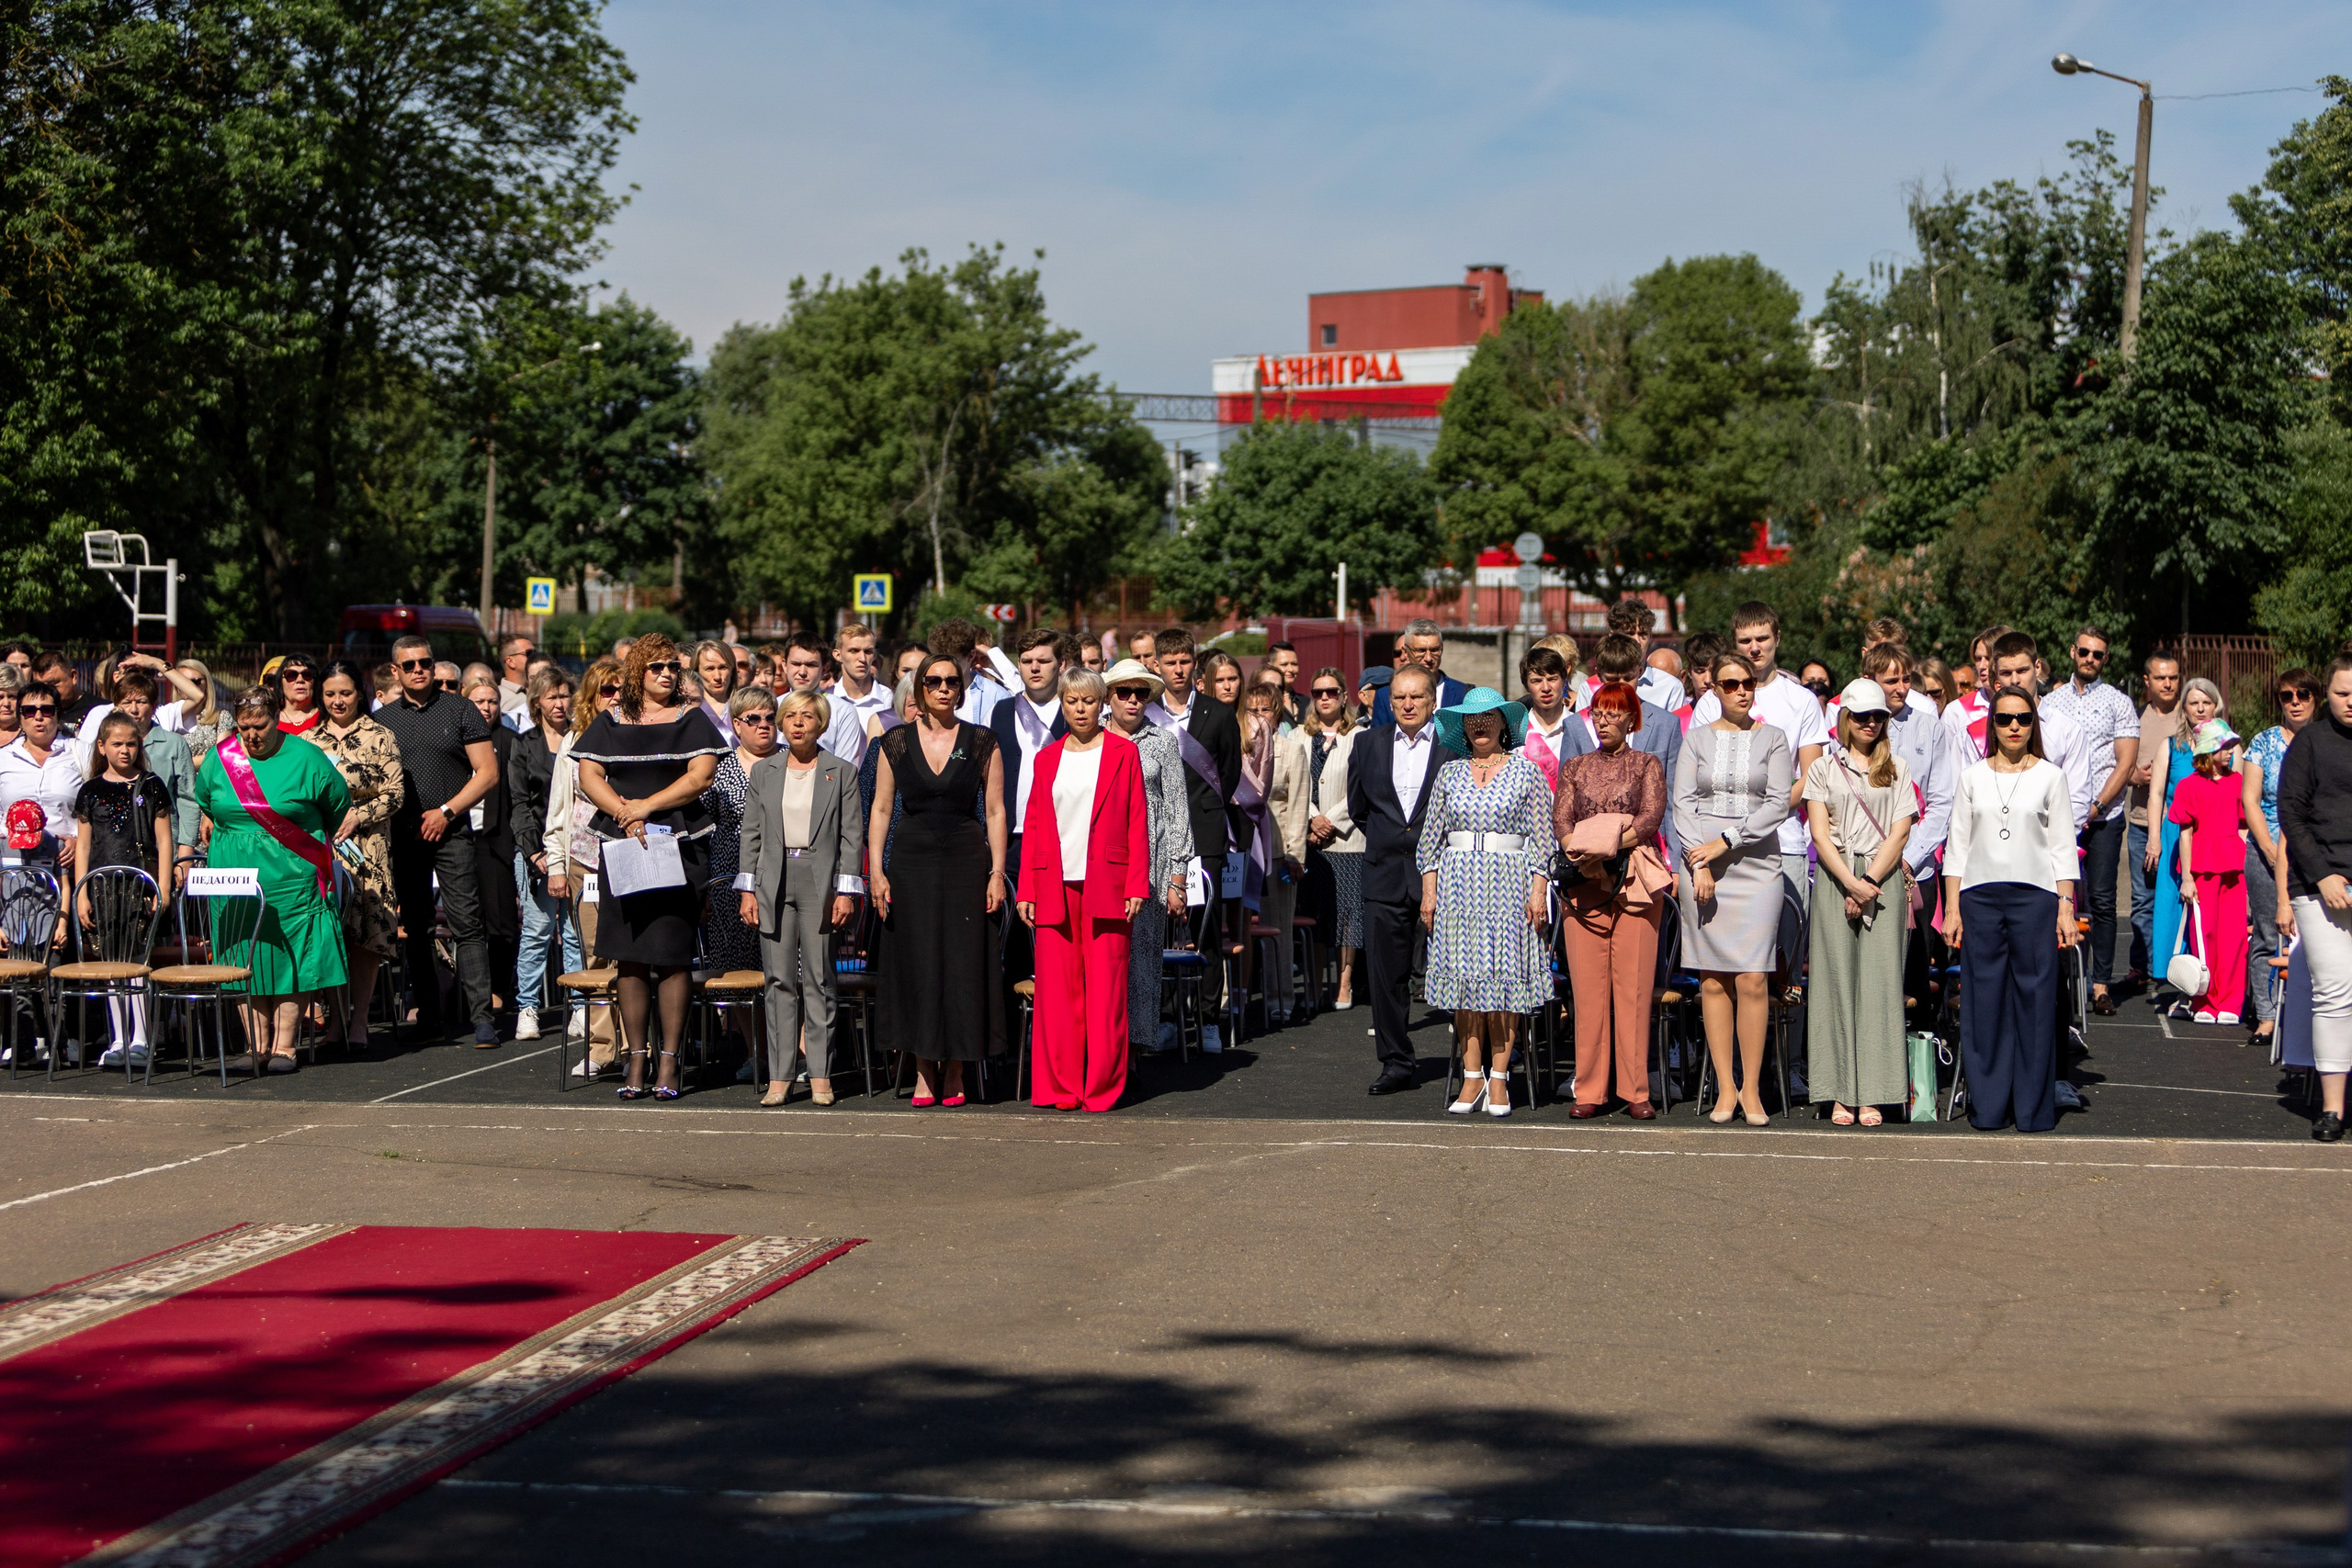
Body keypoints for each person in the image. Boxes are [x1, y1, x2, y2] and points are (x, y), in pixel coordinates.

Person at [574, 636, 728, 1100]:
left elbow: (699, 777)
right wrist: (625, 813)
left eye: (672, 667)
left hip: (679, 845)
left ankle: (671, 1063)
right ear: (637, 672)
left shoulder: (691, 719)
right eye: (656, 666)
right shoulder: (610, 720)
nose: (666, 673)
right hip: (624, 845)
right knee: (631, 958)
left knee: (672, 956)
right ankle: (635, 1061)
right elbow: (589, 775)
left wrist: (646, 807)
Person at [869, 652, 1009, 1104]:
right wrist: (876, 870)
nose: (944, 688)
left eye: (952, 681)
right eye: (934, 681)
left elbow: (994, 811)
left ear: (962, 689)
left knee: (964, 966)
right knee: (918, 965)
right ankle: (925, 1067)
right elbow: (882, 809)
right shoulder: (895, 742)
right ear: (919, 691)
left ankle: (957, 1069)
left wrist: (997, 873)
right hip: (911, 866)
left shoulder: (983, 740)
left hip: (967, 864)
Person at [194, 686, 353, 1074]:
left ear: (276, 717)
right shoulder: (220, 757)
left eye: (260, 726)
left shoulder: (306, 757)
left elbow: (337, 804)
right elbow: (205, 800)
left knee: (291, 954)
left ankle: (285, 1045)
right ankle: (256, 1044)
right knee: (241, 951)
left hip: (291, 873)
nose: (251, 735)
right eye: (244, 727)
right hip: (233, 873)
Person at [1013, 667, 1148, 1111]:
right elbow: (1033, 826)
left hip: (1107, 886)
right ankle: (1061, 1087)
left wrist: (1136, 885)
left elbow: (1136, 821)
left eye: (1088, 701)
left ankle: (1102, 1089)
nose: (1080, 709)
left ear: (1101, 703)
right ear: (1063, 704)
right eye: (1072, 701)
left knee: (1107, 993)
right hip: (1054, 885)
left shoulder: (1124, 753)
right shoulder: (1046, 758)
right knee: (1057, 995)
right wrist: (1027, 890)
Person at [1415, 689, 1555, 1118]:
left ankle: (1499, 1078)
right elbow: (1430, 838)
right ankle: (1471, 1076)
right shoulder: (1449, 773)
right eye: (1470, 719)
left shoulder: (1527, 772)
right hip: (1457, 886)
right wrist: (1429, 889)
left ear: (1502, 724)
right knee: (1465, 983)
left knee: (1504, 980)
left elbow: (1543, 838)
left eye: (1487, 717)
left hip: (1509, 886)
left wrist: (1537, 891)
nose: (1479, 725)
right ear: (1462, 727)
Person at [1945, 686, 2079, 1133]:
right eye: (2004, 719)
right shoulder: (1971, 777)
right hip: (1979, 899)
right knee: (1984, 1002)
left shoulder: (2051, 776)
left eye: (2022, 718)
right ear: (1993, 725)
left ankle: (2032, 1109)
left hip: (2037, 898)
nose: (2014, 726)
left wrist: (2065, 906)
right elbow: (1957, 848)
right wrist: (1952, 907)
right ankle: (1988, 1106)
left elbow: (2063, 847)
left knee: (2036, 1001)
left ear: (2033, 723)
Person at [1673, 651, 1794, 1125]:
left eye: (1747, 682)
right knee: (1712, 979)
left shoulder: (1774, 738)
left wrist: (1726, 841)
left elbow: (1778, 803)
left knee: (1753, 977)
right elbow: (1681, 804)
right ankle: (1724, 1087)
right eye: (1730, 684)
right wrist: (1698, 862)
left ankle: (1751, 1088)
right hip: (1700, 862)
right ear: (1714, 690)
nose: (1741, 690)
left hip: (1756, 863)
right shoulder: (1697, 739)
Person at [737, 685, 862, 1106]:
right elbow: (750, 834)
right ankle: (781, 1076)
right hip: (773, 877)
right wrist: (748, 890)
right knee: (778, 980)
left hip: (819, 880)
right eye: (789, 716)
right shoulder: (764, 772)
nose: (798, 723)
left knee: (821, 978)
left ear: (820, 722)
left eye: (807, 716)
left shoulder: (841, 771)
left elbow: (851, 838)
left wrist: (845, 891)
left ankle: (822, 1075)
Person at [375, 634, 502, 1045]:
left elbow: (487, 773)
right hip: (405, 833)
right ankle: (429, 1014)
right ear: (395, 671)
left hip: (452, 831)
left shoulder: (461, 708)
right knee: (416, 925)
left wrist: (446, 811)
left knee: (467, 922)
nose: (418, 670)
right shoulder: (383, 720)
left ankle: (481, 1017)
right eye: (409, 665)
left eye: (425, 663)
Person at [1554, 682, 1668, 1118]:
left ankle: (1636, 1091)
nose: (1603, 721)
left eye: (1614, 713)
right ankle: (1589, 1091)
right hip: (1583, 883)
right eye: (1598, 713)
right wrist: (1584, 857)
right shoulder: (1576, 766)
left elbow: (1650, 818)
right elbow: (1561, 819)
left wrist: (1601, 846)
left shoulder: (1647, 764)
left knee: (1634, 990)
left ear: (1631, 719)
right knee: (1587, 991)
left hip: (1635, 879)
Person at [1804, 682, 1917, 1126]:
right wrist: (1850, 882)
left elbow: (1901, 832)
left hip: (1882, 880)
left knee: (1880, 988)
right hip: (1836, 878)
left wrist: (1868, 881)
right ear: (1845, 719)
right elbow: (1819, 834)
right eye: (1862, 716)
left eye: (1878, 716)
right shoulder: (1823, 770)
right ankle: (1838, 1092)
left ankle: (1876, 1091)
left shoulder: (1898, 767)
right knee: (1834, 986)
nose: (1871, 723)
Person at [1351, 664, 1460, 1094]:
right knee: (1386, 976)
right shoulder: (1367, 744)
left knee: (1459, 971)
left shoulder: (1455, 748)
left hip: (1444, 878)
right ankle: (1396, 1061)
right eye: (1399, 697)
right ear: (1388, 701)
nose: (1408, 704)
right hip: (1384, 875)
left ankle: (1476, 1062)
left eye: (1416, 696)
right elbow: (1361, 809)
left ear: (1433, 702)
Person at [300, 660, 405, 1050]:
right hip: (323, 848)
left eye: (345, 693)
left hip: (368, 848)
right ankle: (336, 1021)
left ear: (359, 693)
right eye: (330, 694)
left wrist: (358, 815)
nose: (338, 701)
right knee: (330, 934)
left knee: (365, 935)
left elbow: (395, 793)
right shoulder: (308, 741)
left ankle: (359, 1021)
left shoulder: (381, 735)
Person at [1146, 628, 1242, 1043]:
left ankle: (1208, 1020)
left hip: (1205, 833)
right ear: (1158, 666)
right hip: (1159, 834)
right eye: (1170, 662)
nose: (1179, 669)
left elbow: (1230, 772)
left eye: (1185, 661)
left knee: (1206, 925)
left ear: (1195, 663)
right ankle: (1167, 1018)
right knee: (1163, 928)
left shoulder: (1218, 714)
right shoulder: (1146, 712)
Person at [2040, 625, 2141, 1012]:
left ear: (2106, 659)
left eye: (2098, 654)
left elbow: (2125, 761)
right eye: (2084, 652)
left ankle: (2100, 985)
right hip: (2055, 815)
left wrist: (2095, 806)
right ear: (2072, 652)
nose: (2090, 660)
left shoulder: (2118, 702)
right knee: (2057, 898)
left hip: (2104, 816)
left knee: (2101, 900)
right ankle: (2061, 979)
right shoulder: (2051, 702)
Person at [72, 711, 175, 1070]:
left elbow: (165, 841)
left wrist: (162, 887)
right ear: (102, 747)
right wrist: (81, 893)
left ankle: (143, 1038)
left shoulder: (151, 786)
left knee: (137, 964)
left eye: (132, 743)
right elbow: (83, 846)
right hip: (102, 887)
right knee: (112, 966)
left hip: (140, 887)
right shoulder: (91, 791)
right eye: (117, 744)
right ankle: (118, 1037)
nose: (125, 750)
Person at [1102, 659, 1193, 1054]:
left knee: (1141, 961)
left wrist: (1177, 878)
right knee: (1105, 958)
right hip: (1103, 864)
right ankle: (1104, 1044)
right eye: (1125, 692)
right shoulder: (1090, 738)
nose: (1134, 700)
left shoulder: (1162, 741)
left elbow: (1178, 810)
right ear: (1109, 696)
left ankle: (1135, 1050)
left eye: (1141, 693)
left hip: (1152, 869)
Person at [2278, 654, 2352, 1140]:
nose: (2351, 702)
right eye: (2343, 692)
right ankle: (2332, 1110)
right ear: (2327, 692)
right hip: (2319, 887)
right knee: (2335, 991)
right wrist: (2323, 876)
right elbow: (2292, 813)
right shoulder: (2309, 743)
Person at [544, 658, 623, 1069]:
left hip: (630, 856)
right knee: (594, 953)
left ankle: (633, 1047)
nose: (614, 697)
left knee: (631, 954)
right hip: (585, 860)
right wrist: (556, 864)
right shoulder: (574, 741)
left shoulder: (637, 736)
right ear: (591, 697)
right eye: (606, 690)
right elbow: (559, 808)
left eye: (621, 690)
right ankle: (600, 1048)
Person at [704, 684, 778, 1084]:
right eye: (754, 719)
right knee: (738, 973)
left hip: (786, 877)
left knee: (787, 969)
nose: (764, 726)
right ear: (736, 724)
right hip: (730, 881)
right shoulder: (719, 767)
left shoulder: (792, 761)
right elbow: (704, 825)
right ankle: (756, 1053)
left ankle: (794, 1053)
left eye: (770, 718)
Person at [989, 628, 1069, 992]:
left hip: (1062, 837)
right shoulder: (1003, 711)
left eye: (1043, 661)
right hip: (1013, 837)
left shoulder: (1075, 709)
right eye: (1026, 661)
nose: (1034, 668)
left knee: (1057, 930)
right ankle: (1015, 1035)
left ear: (1062, 664)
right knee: (1015, 936)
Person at [503, 668, 578, 1044]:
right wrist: (535, 852)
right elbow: (519, 804)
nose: (559, 703)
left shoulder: (582, 739)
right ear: (537, 703)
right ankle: (528, 1008)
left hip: (576, 849)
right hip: (536, 851)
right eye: (551, 697)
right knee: (537, 932)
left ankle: (580, 1006)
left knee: (575, 933)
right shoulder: (524, 743)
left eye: (564, 695)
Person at [2242, 670, 2315, 1045]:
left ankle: (2308, 1012)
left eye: (2303, 694)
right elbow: (2250, 800)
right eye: (2288, 696)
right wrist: (2270, 850)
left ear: (2316, 698)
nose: (2296, 702)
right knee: (2268, 933)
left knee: (2313, 936)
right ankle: (2267, 1015)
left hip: (2317, 853)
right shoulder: (2263, 742)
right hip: (2265, 849)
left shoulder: (2326, 741)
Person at [2145, 674, 2224, 1011]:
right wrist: (2153, 839)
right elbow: (2157, 794)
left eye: (2206, 701)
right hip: (2177, 836)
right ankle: (2183, 980)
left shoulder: (2226, 743)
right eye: (2194, 702)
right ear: (2185, 708)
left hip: (2214, 835)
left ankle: (2209, 982)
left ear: (2215, 705)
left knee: (2210, 912)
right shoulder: (2170, 745)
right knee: (2175, 909)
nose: (2201, 708)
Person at [2166, 718, 2251, 1026]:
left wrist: (2241, 859)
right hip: (2202, 867)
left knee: (2234, 935)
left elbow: (2244, 824)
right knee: (2204, 934)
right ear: (2208, 750)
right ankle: (2205, 1000)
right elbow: (2185, 833)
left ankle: (2231, 1000)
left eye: (2230, 745)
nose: (2230, 751)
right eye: (2224, 746)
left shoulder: (2238, 782)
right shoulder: (2189, 785)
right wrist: (2187, 878)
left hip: (2232, 866)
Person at [1584, 633, 1682, 863]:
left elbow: (1674, 799)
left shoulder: (1665, 724)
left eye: (1627, 678)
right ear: (1598, 675)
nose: (1619, 687)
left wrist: (1676, 863)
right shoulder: (1580, 725)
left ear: (1640, 671)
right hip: (1591, 853)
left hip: (1651, 851)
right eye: (1611, 679)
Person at [461, 670, 521, 1032]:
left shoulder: (511, 741)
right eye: (479, 701)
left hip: (495, 840)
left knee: (501, 924)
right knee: (466, 923)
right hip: (459, 836)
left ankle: (499, 990)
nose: (486, 707)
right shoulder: (454, 739)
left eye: (492, 701)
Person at [1248, 676, 1310, 1023]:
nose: (1259, 716)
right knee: (1238, 928)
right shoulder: (1240, 746)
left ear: (1277, 714)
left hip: (1278, 850)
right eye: (1252, 709)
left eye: (1265, 709)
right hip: (1243, 851)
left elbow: (1300, 803)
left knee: (1279, 928)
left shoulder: (1292, 749)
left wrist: (1296, 854)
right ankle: (1235, 999)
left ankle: (1281, 997)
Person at [1301, 667, 1363, 1010]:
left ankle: (1344, 984)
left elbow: (1360, 788)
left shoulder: (1359, 736)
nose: (1325, 697)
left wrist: (1331, 821)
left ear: (1344, 696)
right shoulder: (1299, 735)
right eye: (1318, 692)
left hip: (1347, 838)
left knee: (1348, 916)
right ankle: (1312, 987)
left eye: (1332, 691)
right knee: (1315, 913)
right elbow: (1293, 785)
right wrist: (1313, 820)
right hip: (1310, 840)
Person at [2130, 650, 2186, 984]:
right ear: (2147, 681)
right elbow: (2119, 765)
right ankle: (2143, 967)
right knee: (2142, 899)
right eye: (2161, 677)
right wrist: (2135, 776)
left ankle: (2174, 966)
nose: (2168, 683)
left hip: (2182, 827)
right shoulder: (2135, 718)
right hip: (2140, 823)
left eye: (2174, 677)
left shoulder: (2191, 717)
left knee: (2178, 894)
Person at [0, 682, 80, 874]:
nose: (38, 717)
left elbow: (96, 806)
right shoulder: (4, 758)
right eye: (28, 711)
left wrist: (80, 840)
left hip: (66, 861)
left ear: (58, 714)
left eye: (46, 710)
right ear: (20, 718)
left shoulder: (80, 752)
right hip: (12, 858)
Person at [1517, 644, 1590, 793]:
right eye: (1536, 681)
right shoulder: (1516, 733)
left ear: (1564, 681)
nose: (1545, 688)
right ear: (1526, 686)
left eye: (1552, 679)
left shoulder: (1584, 729)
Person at [1371, 618, 1467, 728]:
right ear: (1406, 651)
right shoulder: (1384, 695)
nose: (1428, 658)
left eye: (1434, 650)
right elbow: (1378, 740)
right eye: (1421, 651)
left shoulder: (1463, 694)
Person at [820, 622, 889, 765]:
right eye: (854, 651)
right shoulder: (825, 700)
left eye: (868, 651)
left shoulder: (888, 699)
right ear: (838, 655)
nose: (862, 659)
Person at [1608, 598, 1685, 712]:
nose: (1637, 641)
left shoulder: (1671, 687)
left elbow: (1677, 729)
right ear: (1612, 636)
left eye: (1642, 634)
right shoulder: (1590, 687)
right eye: (1629, 633)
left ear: (1650, 636)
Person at [930, 620, 1008, 727]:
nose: (945, 668)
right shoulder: (923, 692)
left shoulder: (996, 696)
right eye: (939, 661)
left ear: (970, 656)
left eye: (953, 661)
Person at [689, 638, 740, 747]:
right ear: (697, 671)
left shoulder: (745, 706)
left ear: (732, 670)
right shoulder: (688, 709)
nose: (717, 676)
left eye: (723, 667)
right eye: (709, 669)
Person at [32, 652, 95, 737]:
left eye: (52, 684)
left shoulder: (100, 710)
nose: (46, 691)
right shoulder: (30, 712)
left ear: (73, 677)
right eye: (40, 686)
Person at [267, 654, 323, 736]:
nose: (300, 680)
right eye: (291, 675)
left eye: (307, 675)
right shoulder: (270, 721)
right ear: (280, 684)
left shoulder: (326, 718)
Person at [1264, 641, 1306, 727]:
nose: (1290, 669)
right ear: (1270, 666)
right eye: (1284, 664)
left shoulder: (1307, 702)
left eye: (1294, 664)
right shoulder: (1260, 702)